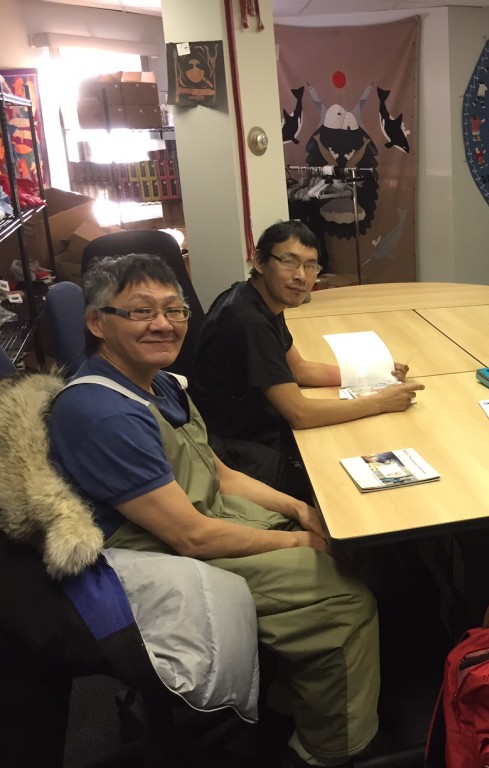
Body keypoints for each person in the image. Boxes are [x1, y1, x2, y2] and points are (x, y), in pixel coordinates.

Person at [48, 253, 379, 768]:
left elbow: (218, 473)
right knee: (343, 599)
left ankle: (297, 696)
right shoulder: (103, 412)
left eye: (174, 310)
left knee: (344, 537)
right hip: (161, 558)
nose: (164, 323)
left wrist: (300, 510)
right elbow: (191, 539)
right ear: (97, 323)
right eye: (140, 312)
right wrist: (299, 541)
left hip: (203, 518)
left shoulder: (158, 383)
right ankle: (328, 750)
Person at [190, 220, 423, 499]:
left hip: (253, 424)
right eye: (289, 262)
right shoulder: (247, 320)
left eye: (310, 265)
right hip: (232, 444)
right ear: (261, 262)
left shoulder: (255, 298)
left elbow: (299, 369)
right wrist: (379, 403)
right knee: (340, 483)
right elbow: (300, 414)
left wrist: (375, 371)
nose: (301, 276)